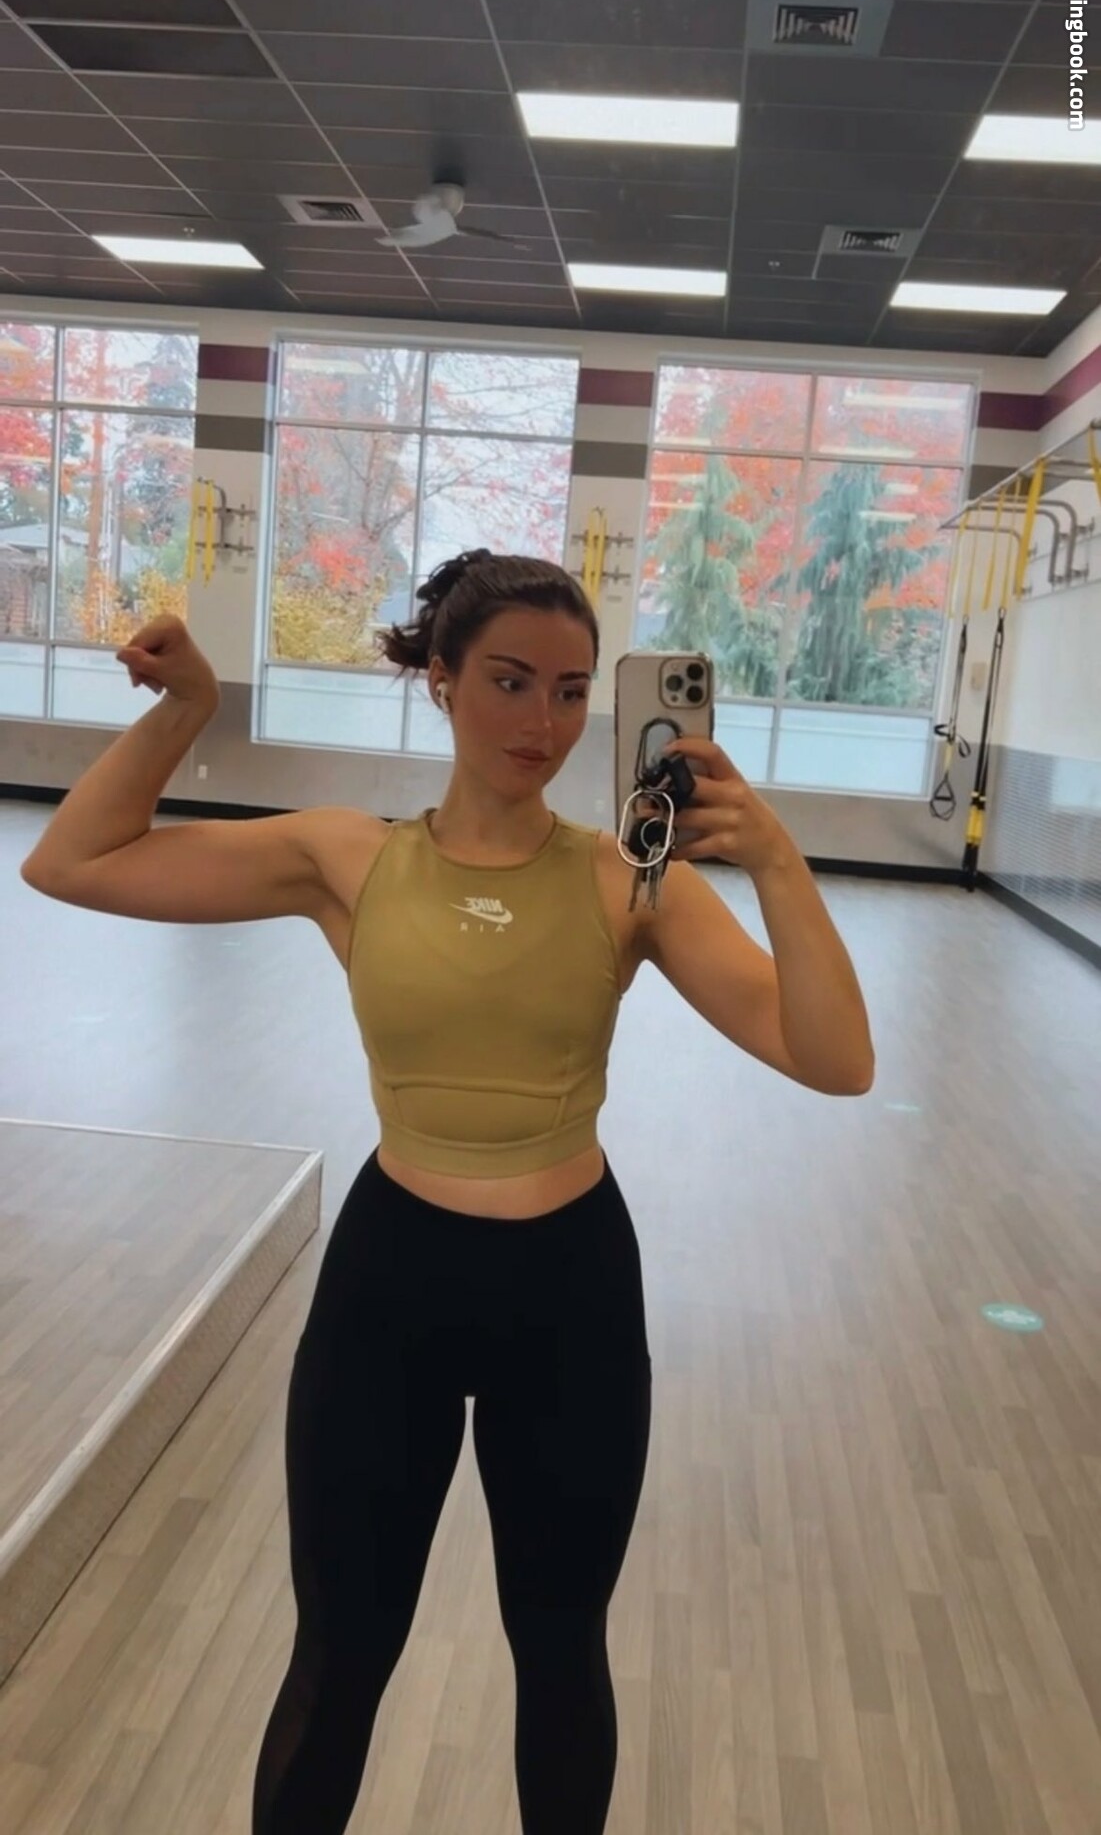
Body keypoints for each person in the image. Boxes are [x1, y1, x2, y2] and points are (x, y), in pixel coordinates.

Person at [20, 548, 875, 1834]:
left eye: (573, 692)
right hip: (391, 1289)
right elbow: (72, 862)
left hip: (571, 1299)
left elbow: (837, 1060)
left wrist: (779, 864)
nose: (544, 723)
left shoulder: (632, 882)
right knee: (341, 1655)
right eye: (511, 682)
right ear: (441, 681)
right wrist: (189, 708)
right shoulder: (347, 859)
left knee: (562, 1654)